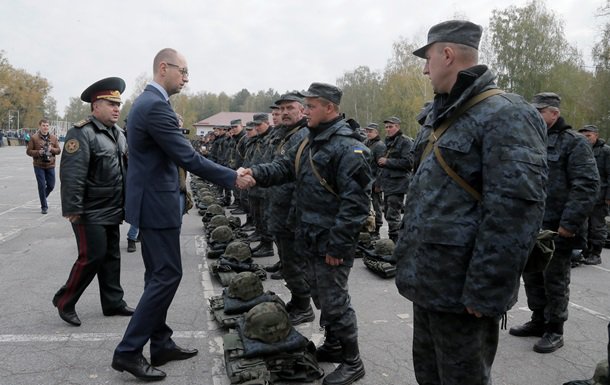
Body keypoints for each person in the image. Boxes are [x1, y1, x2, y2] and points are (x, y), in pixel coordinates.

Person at [395, 20, 549, 384]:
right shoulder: (438, 117)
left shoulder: (506, 113)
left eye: (428, 58)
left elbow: (516, 211)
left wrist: (486, 291)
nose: (424, 68)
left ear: (447, 54)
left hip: (465, 291)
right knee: (429, 376)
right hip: (429, 281)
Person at [111, 48, 253, 382]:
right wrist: (233, 176)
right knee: (166, 275)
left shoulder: (149, 104)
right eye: (184, 72)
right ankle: (128, 351)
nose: (186, 80)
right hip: (156, 205)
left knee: (156, 275)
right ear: (164, 68)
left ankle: (160, 343)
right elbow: (188, 156)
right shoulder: (154, 106)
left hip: (153, 202)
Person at [240, 82, 371, 385]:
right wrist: (255, 174)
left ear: (329, 108)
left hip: (331, 242)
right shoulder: (310, 142)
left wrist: (338, 247)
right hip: (308, 236)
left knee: (335, 302)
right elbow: (284, 168)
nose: (305, 111)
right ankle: (336, 345)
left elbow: (356, 206)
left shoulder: (349, 147)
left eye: (310, 106)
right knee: (322, 297)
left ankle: (353, 361)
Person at [510, 92, 599, 353]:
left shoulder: (574, 143)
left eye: (539, 112)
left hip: (557, 227)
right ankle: (538, 320)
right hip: (529, 224)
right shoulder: (528, 139)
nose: (534, 116)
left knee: (555, 279)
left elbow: (587, 185)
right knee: (532, 275)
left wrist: (569, 224)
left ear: (554, 114)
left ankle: (555, 329)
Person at [52, 77, 134, 327]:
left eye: (118, 103)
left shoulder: (118, 134)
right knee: (92, 256)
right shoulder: (82, 132)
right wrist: (73, 208)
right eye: (110, 103)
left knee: (111, 256)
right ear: (95, 105)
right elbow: (72, 174)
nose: (116, 108)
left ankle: (113, 302)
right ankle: (65, 300)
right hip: (88, 210)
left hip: (111, 207)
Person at [264, 92, 313, 323]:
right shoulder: (286, 135)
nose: (284, 113)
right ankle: (297, 299)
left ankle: (304, 306)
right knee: (287, 260)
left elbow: (300, 180)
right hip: (280, 209)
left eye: (289, 108)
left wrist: (293, 217)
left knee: (294, 262)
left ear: (302, 110)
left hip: (292, 214)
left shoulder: (303, 136)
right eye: (280, 109)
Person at [377, 116, 413, 243]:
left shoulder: (405, 142)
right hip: (388, 184)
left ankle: (396, 244)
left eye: (390, 126)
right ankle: (396, 242)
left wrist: (388, 161)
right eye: (386, 127)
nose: (388, 129)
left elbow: (408, 162)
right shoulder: (388, 141)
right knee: (387, 213)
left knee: (393, 215)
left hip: (398, 183)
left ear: (397, 127)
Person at [578, 124, 610, 265]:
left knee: (597, 226)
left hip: (600, 196)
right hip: (584, 195)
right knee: (582, 226)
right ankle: (583, 251)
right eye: (583, 136)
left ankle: (595, 253)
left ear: (596, 135)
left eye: (588, 135)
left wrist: (608, 197)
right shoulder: (580, 149)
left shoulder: (606, 152)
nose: (586, 138)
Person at [26, 119, 61, 214]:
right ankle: (44, 206)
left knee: (51, 185)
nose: (45, 127)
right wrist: (38, 152)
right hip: (38, 165)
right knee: (41, 185)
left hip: (50, 164)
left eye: (47, 125)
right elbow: (28, 151)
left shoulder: (53, 138)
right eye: (43, 125)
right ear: (39, 126)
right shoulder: (34, 138)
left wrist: (51, 149)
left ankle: (42, 197)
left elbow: (58, 150)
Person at [363, 123, 386, 239]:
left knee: (377, 207)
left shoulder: (379, 146)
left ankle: (377, 230)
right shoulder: (366, 143)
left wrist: (378, 184)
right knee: (366, 206)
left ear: (376, 132)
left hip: (375, 181)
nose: (368, 133)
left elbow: (381, 166)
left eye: (370, 131)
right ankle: (369, 228)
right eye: (367, 131)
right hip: (366, 181)